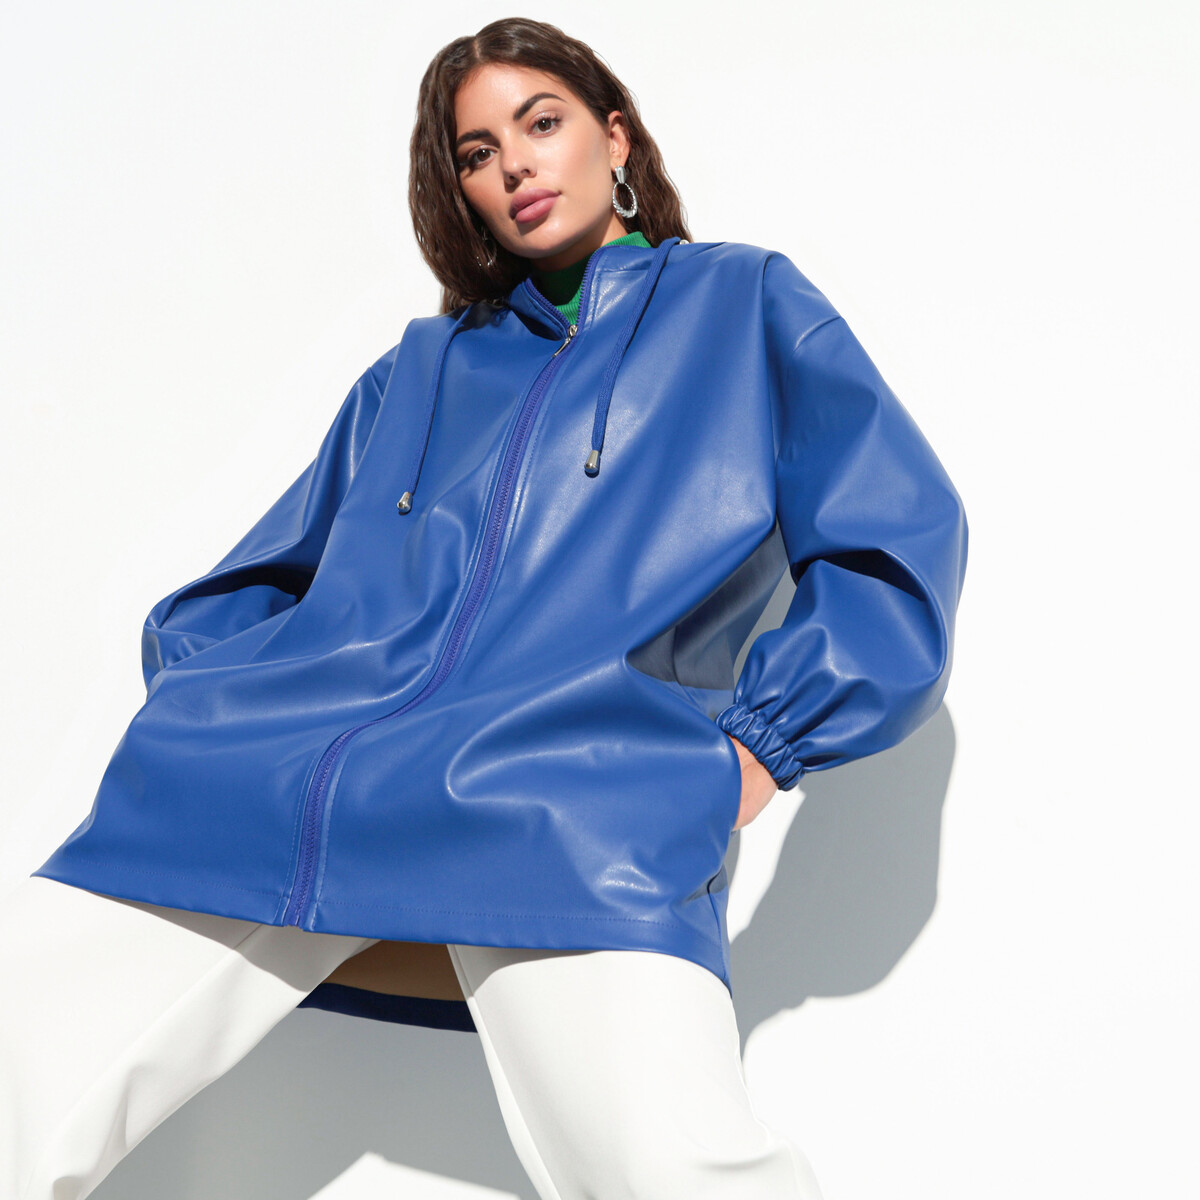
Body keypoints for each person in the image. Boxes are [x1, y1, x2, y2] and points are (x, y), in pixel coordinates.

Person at [0, 16, 968, 1200]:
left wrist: (757, 752)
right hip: (292, 792)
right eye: (475, 152)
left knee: (672, 1170)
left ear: (615, 136)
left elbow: (893, 536)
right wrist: (216, 713)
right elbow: (250, 586)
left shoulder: (743, 305)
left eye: (540, 123)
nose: (513, 164)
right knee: (17, 1061)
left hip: (571, 803)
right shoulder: (420, 370)